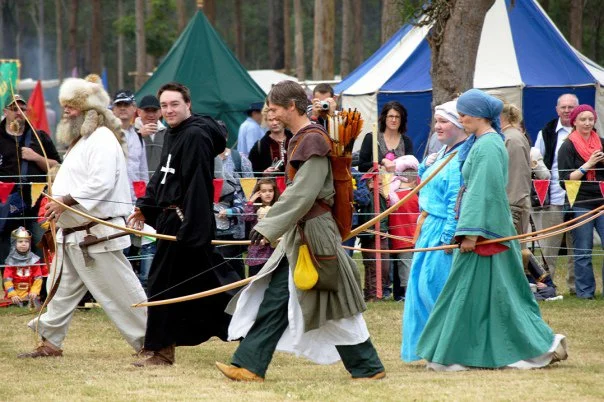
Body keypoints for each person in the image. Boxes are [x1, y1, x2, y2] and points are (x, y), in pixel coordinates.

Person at [216, 80, 385, 382]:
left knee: (335, 301)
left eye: (275, 108)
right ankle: (249, 365)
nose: (271, 114)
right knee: (276, 298)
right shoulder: (303, 138)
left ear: (291, 106)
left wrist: (269, 225)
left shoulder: (313, 140)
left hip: (315, 233)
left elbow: (304, 192)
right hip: (302, 232)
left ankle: (368, 367)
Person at [416, 88, 567, 371]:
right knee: (489, 294)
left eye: (464, 114)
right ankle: (466, 353)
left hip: (486, 235)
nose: (461, 118)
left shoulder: (487, 145)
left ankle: (468, 353)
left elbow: (481, 192)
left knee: (492, 294)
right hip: (485, 231)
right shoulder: (481, 142)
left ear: (479, 115)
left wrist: (470, 234)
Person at [19, 75, 147, 358]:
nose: (66, 111)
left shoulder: (102, 138)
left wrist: (65, 201)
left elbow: (101, 182)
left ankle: (152, 343)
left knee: (122, 293)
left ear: (90, 109)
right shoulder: (81, 141)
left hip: (95, 235)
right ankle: (50, 342)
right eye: (65, 105)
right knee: (59, 290)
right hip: (72, 236)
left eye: (72, 106)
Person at [128, 82, 240, 366]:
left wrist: (193, 228)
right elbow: (163, 176)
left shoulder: (195, 136)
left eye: (174, 104)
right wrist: (145, 206)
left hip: (185, 222)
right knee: (203, 284)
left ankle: (161, 350)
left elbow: (198, 184)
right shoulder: (173, 133)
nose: (168, 110)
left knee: (164, 284)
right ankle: (250, 327)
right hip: (173, 220)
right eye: (164, 106)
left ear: (188, 104)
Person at [401, 100, 466, 362]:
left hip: (441, 229)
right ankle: (425, 347)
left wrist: (448, 236)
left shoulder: (459, 157)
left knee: (435, 287)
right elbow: (427, 185)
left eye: (444, 121)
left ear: (458, 124)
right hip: (427, 226)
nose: (437, 126)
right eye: (436, 121)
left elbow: (454, 200)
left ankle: (444, 347)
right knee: (418, 289)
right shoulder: (441, 153)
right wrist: (424, 166)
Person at [0, 94, 61, 263]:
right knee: (4, 250)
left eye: (22, 109)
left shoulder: (39, 137)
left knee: (43, 245)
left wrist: (36, 157)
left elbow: (57, 167)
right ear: (5, 111)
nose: (19, 113)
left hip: (37, 205)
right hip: (5, 205)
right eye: (14, 109)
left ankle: (43, 279)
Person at [557, 104, 604, 300]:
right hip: (580, 202)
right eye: (583, 119)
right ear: (574, 122)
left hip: (602, 200)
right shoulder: (567, 146)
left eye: (590, 119)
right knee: (583, 249)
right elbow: (564, 180)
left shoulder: (601, 143)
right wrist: (589, 164)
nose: (587, 123)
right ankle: (585, 293)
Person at [534, 94, 579, 292]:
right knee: (548, 246)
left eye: (571, 107)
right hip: (553, 196)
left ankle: (575, 286)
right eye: (564, 107)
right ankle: (546, 284)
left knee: (576, 245)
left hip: (578, 197)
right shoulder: (546, 133)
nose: (567, 110)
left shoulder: (586, 130)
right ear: (557, 109)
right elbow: (536, 161)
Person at [214, 122, 254, 279]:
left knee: (234, 263)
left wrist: (236, 209)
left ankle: (239, 289)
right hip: (212, 221)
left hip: (236, 222)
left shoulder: (240, 159)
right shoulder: (205, 158)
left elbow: (250, 192)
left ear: (226, 137)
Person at [387, 155, 420, 302]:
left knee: (404, 266)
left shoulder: (393, 197)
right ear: (414, 180)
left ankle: (407, 293)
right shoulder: (415, 196)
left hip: (400, 237)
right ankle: (410, 293)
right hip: (414, 236)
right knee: (411, 265)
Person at [355, 168, 390, 301]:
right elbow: (368, 217)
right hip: (371, 236)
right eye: (377, 183)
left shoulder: (382, 196)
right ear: (370, 184)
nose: (379, 186)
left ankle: (378, 292)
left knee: (384, 267)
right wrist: (374, 232)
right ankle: (372, 295)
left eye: (381, 184)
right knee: (373, 267)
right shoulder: (368, 197)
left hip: (382, 235)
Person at [500, 101, 531, 236]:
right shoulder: (506, 136)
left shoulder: (512, 139)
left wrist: (513, 215)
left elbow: (516, 180)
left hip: (511, 212)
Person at [112, 89, 148, 202]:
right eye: (119, 105)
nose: (122, 108)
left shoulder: (138, 137)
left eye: (126, 104)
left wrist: (142, 199)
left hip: (134, 199)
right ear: (113, 109)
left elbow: (142, 171)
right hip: (113, 199)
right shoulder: (107, 135)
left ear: (134, 108)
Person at [358, 101, 414, 173]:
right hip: (375, 180)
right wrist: (382, 161)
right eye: (391, 116)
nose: (394, 120)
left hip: (400, 180)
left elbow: (411, 169)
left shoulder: (406, 141)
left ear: (402, 120)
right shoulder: (371, 138)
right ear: (384, 118)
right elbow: (361, 167)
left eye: (397, 117)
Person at [242, 178, 280, 276]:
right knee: (254, 277)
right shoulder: (254, 208)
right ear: (258, 193)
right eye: (263, 191)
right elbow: (247, 217)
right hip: (258, 249)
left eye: (270, 191)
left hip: (274, 248)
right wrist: (251, 201)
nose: (267, 194)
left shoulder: (278, 206)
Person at [3, 227, 43, 308]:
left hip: (30, 293)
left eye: (26, 241)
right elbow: (7, 279)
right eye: (20, 241)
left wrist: (34, 291)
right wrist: (12, 294)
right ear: (14, 243)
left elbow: (38, 278)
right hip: (15, 294)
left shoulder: (34, 260)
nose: (24, 244)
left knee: (34, 304)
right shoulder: (10, 261)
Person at [248, 107, 293, 177]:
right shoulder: (260, 145)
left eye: (277, 119)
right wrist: (263, 172)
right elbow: (250, 171)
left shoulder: (295, 139)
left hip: (296, 182)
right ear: (266, 121)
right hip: (271, 183)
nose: (274, 123)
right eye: (270, 120)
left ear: (283, 119)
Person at [135, 94, 166, 178]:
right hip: (138, 181)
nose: (151, 115)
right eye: (147, 111)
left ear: (160, 112)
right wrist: (139, 135)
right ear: (139, 112)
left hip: (161, 181)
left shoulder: (167, 133)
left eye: (154, 111)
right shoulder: (131, 132)